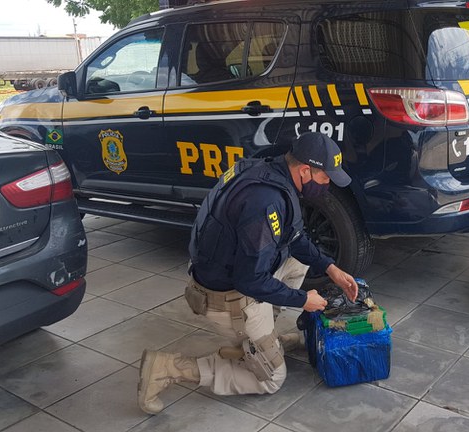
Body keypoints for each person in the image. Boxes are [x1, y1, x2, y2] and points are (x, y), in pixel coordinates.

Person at [137, 132, 358, 414]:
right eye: (326, 177)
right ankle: (169, 368)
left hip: (233, 277)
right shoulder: (264, 201)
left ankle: (260, 342)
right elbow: (250, 280)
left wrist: (331, 268)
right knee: (271, 380)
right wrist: (303, 300)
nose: (328, 185)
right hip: (224, 296)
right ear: (305, 170)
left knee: (299, 261)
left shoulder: (270, 171)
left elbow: (295, 238)